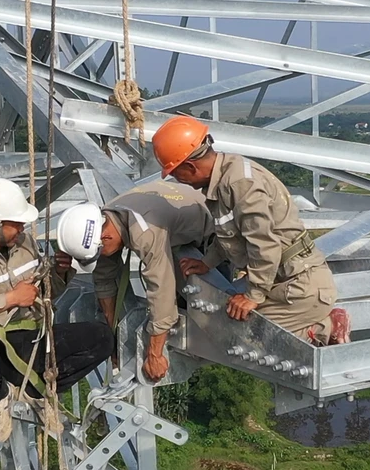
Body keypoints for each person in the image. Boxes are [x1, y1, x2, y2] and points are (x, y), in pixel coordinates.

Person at [150, 115, 351, 346]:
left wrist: (252, 296)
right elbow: (231, 233)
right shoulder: (225, 176)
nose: (178, 180)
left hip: (300, 287)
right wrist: (208, 262)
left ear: (190, 166)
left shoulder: (239, 184)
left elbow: (264, 244)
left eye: (176, 173)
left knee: (240, 337)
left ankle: (325, 327)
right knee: (225, 320)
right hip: (282, 281)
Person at [0, 178, 114, 442]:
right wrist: (10, 298)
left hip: (35, 339)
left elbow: (44, 294)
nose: (21, 228)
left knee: (102, 338)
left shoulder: (25, 244)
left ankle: (38, 391)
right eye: (15, 223)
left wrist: (59, 271)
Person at [56, 180, 213, 382]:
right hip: (175, 210)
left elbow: (162, 289)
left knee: (193, 313)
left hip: (210, 231)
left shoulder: (144, 232)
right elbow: (105, 280)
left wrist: (154, 354)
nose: (101, 256)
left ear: (104, 237)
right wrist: (112, 335)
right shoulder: (106, 218)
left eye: (99, 252)